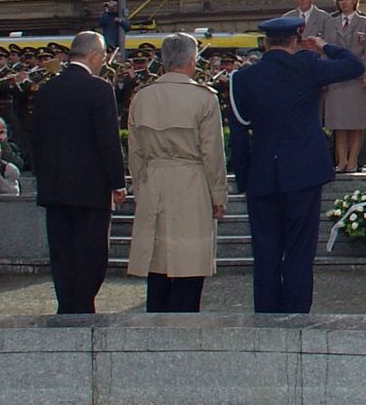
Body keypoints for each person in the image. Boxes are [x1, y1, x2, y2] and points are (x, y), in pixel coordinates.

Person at [228, 14, 364, 314]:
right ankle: (296, 311)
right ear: (295, 40)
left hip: (262, 174)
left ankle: (266, 310)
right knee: (300, 250)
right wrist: (325, 45)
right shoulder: (307, 65)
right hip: (304, 172)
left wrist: (245, 179)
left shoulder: (242, 78)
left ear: (264, 43)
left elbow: (238, 133)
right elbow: (355, 66)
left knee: (265, 251)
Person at [126, 32, 228, 313]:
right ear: (192, 60)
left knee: (156, 263)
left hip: (154, 178)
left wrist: (139, 187)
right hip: (191, 180)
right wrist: (218, 195)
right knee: (190, 262)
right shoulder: (203, 98)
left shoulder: (142, 97)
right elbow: (212, 153)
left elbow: (134, 152)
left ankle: (156, 321)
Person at [30, 31, 127, 314]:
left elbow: (36, 139)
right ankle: (84, 306)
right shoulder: (99, 89)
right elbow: (107, 140)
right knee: (92, 253)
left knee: (62, 252)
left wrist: (43, 178)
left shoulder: (47, 88)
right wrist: (117, 182)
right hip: (91, 189)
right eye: (102, 58)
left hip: (55, 187)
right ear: (94, 55)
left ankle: (67, 305)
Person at [323, 0, 366, 173]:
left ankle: (353, 160)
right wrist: (325, 76)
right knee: (339, 123)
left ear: (355, 0)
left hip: (357, 79)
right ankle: (341, 160)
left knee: (356, 122)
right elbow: (325, 51)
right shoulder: (331, 23)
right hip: (336, 78)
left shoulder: (364, 22)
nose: (344, 3)